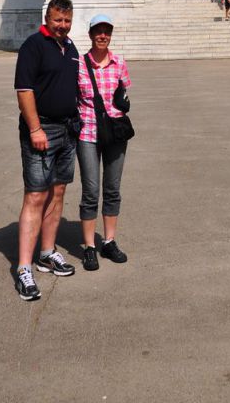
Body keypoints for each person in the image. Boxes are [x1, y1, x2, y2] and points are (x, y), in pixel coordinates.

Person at [14, 0, 79, 301]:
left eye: (66, 21)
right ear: (46, 18)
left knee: (58, 192)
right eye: (57, 20)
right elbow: (24, 89)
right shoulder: (33, 46)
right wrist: (35, 128)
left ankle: (47, 252)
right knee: (36, 195)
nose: (62, 26)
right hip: (42, 130)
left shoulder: (71, 48)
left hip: (67, 130)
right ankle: (24, 267)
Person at [77, 14, 132, 269]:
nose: (102, 35)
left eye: (106, 31)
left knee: (112, 189)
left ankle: (109, 241)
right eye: (98, 31)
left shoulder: (119, 63)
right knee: (91, 191)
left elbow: (124, 94)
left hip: (115, 133)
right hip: (87, 133)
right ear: (90, 34)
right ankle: (89, 246)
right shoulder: (79, 65)